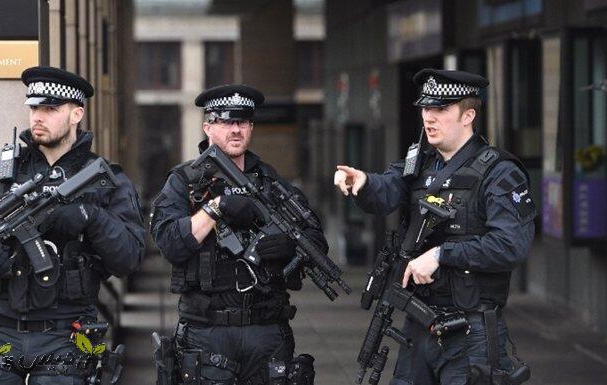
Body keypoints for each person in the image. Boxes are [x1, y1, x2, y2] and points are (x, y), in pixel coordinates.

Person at [0, 66, 146, 385]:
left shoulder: (104, 180)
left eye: (50, 108)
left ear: (76, 114)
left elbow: (129, 257)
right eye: (34, 108)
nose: (38, 117)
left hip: (67, 333)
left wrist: (91, 218)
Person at [334, 69, 537, 385]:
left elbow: (511, 245)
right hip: (419, 325)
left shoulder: (499, 173)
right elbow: (386, 190)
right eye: (426, 108)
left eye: (441, 109)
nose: (429, 117)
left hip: (471, 332)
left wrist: (443, 254)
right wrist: (363, 183)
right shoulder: (421, 164)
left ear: (468, 114)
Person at [150, 84, 327, 385]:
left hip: (267, 331)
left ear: (251, 127)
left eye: (242, 122)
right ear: (207, 127)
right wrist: (216, 208)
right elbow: (170, 243)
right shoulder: (184, 182)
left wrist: (288, 246)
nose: (236, 130)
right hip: (207, 333)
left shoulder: (271, 182)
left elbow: (316, 246)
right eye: (226, 121)